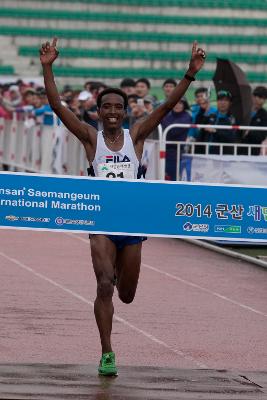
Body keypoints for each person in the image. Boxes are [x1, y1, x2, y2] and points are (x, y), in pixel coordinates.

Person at [40, 37, 206, 376]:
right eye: (107, 107)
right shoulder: (90, 137)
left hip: (132, 222)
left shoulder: (138, 135)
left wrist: (189, 74)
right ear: (99, 112)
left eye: (119, 107)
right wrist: (47, 67)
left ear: (125, 112)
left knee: (126, 294)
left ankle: (116, 273)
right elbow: (58, 107)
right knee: (104, 285)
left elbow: (164, 107)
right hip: (101, 220)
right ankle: (107, 353)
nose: (113, 111)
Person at [161, 97, 192, 180]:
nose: (177, 105)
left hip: (177, 154)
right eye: (175, 102)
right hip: (164, 151)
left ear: (184, 105)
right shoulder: (168, 115)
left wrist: (162, 118)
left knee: (173, 178)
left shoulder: (186, 117)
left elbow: (173, 131)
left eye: (180, 103)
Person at [241, 86, 267, 155]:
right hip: (236, 149)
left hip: (253, 152)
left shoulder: (264, 115)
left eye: (261, 97)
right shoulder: (243, 111)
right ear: (252, 97)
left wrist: (248, 132)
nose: (257, 99)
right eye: (255, 96)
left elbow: (262, 135)